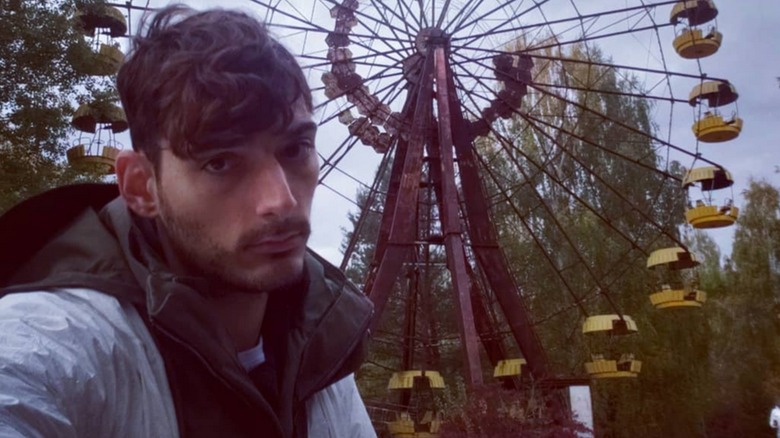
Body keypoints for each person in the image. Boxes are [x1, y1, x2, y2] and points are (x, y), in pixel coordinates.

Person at [0, 5, 375, 437]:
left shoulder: (319, 356)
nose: (281, 200)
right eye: (220, 163)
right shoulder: (53, 343)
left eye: (295, 150)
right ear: (141, 187)